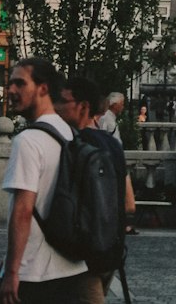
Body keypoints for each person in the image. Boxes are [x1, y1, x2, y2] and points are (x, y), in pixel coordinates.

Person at [0, 56, 88, 302]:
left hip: (34, 272)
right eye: (10, 84)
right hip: (71, 266)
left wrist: (11, 272)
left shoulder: (28, 141)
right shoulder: (70, 133)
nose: (11, 91)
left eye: (19, 84)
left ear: (43, 88)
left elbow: (23, 210)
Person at [55, 75, 130, 303]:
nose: (57, 107)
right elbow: (130, 203)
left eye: (64, 101)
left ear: (83, 107)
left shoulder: (75, 146)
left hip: (84, 254)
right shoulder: (113, 144)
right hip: (111, 248)